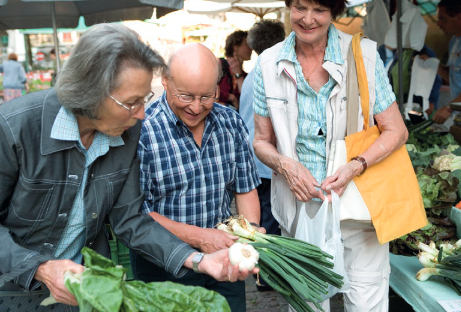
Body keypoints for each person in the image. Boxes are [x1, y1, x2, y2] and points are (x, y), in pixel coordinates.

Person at [0, 24, 257, 312]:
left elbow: (131, 219)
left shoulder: (126, 131)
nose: (142, 114)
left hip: (87, 292)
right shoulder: (13, 129)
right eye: (132, 102)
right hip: (12, 294)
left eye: (144, 99)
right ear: (92, 91)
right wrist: (42, 268)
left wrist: (198, 260)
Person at [252, 0, 407, 311]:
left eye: (319, 10)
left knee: (367, 304)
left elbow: (397, 131)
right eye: (299, 7)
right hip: (299, 211)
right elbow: (260, 141)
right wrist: (285, 165)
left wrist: (356, 165)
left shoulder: (363, 55)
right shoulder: (268, 64)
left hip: (359, 210)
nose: (307, 19)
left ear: (335, 12)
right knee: (307, 304)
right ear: (289, 7)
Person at [131, 43, 262, 312]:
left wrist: (248, 234)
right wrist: (200, 238)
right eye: (186, 96)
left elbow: (245, 189)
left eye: (206, 96)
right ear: (165, 82)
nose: (195, 106)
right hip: (165, 267)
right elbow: (136, 214)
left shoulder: (231, 122)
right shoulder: (142, 132)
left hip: (225, 262)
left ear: (217, 87)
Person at [239, 19, 285, 291]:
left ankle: (264, 274)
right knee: (269, 218)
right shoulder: (269, 73)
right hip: (265, 160)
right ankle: (265, 275)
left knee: (266, 216)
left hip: (255, 158)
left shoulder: (253, 74)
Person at [428, 0, 461, 124]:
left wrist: (449, 108)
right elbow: (453, 76)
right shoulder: (454, 41)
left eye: (443, 19)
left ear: (459, 17)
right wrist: (432, 65)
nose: (439, 23)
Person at [388, 44, 442, 116]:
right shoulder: (401, 52)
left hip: (419, 103)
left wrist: (431, 100)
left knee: (418, 122)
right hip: (401, 101)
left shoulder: (425, 52)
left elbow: (435, 78)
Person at [217, 30, 253, 110]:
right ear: (235, 47)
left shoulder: (244, 75)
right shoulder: (219, 65)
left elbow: (247, 99)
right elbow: (208, 90)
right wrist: (230, 97)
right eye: (247, 44)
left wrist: (238, 74)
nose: (251, 49)